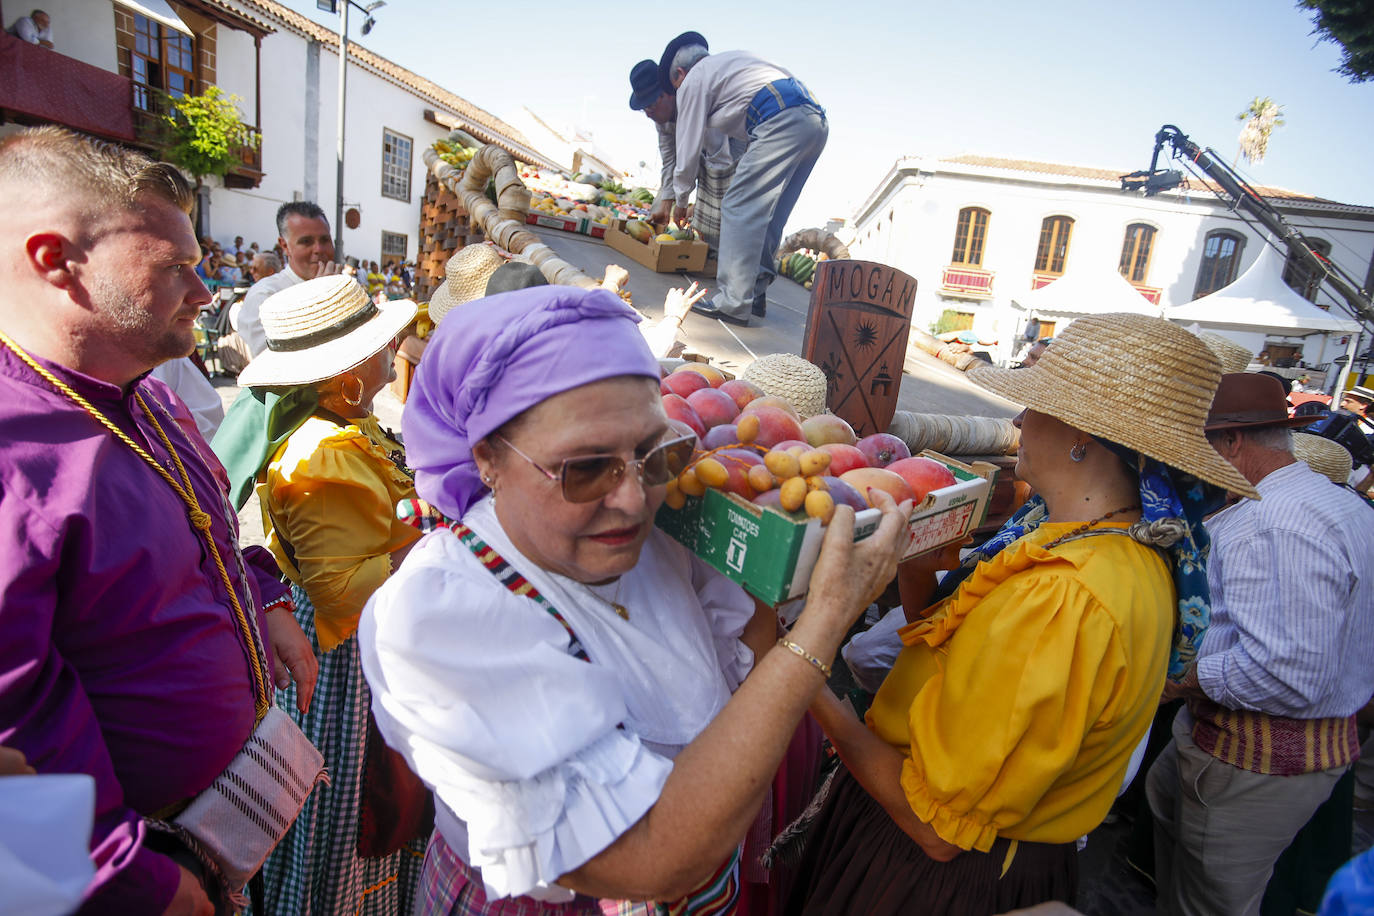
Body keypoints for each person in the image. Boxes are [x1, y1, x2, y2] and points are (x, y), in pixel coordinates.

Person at [358, 284, 912, 915]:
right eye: (586, 468)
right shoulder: (439, 613)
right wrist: (826, 621)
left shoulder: (657, 539)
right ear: (488, 458)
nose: (631, 499)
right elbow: (651, 858)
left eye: (656, 453)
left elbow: (746, 673)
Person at [785, 313, 1254, 915]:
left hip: (938, 878)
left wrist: (800, 666)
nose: (1016, 421)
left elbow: (937, 829)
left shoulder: (1068, 594)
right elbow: (958, 662)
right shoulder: (1098, 545)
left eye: (1033, 408)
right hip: (974, 854)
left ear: (1081, 435)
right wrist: (918, 558)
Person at [0, 125, 317, 913]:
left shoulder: (145, 390)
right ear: (57, 262)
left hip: (211, 836)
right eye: (176, 267)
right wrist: (136, 882)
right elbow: (9, 736)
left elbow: (205, 532)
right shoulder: (12, 448)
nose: (207, 292)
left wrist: (267, 599)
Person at [212, 275, 425, 915]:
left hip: (353, 645)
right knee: (352, 805)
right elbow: (344, 594)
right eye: (380, 345)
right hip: (344, 656)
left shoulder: (343, 428)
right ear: (343, 376)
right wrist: (438, 537)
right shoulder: (325, 454)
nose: (395, 352)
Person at [1146, 372, 1374, 916]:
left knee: (1209, 900)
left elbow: (1287, 673)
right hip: (1257, 750)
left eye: (1195, 450)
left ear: (1232, 444)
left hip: (1252, 762)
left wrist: (1183, 680)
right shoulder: (1331, 501)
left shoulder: (1273, 523)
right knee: (1180, 852)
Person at [659, 33, 827, 326]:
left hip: (781, 118)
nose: (678, 96)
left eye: (675, 88)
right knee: (769, 214)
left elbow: (686, 147)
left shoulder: (695, 79)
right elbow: (720, 154)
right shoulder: (729, 67)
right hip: (814, 121)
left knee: (737, 205)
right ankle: (756, 293)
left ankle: (733, 302)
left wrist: (681, 200)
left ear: (680, 74)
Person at [628, 51, 739, 264]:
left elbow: (714, 159)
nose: (649, 113)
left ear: (668, 94)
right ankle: (655, 248)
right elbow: (670, 162)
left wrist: (690, 204)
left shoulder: (694, 100)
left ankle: (713, 258)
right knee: (662, 200)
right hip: (698, 159)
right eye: (644, 109)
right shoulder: (662, 122)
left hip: (729, 149)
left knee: (721, 208)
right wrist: (666, 205)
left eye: (651, 105)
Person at [233, 201, 339, 357]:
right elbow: (274, 363)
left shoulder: (343, 288)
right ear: (284, 245)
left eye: (325, 240)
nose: (319, 249)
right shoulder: (265, 296)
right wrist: (320, 300)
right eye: (306, 242)